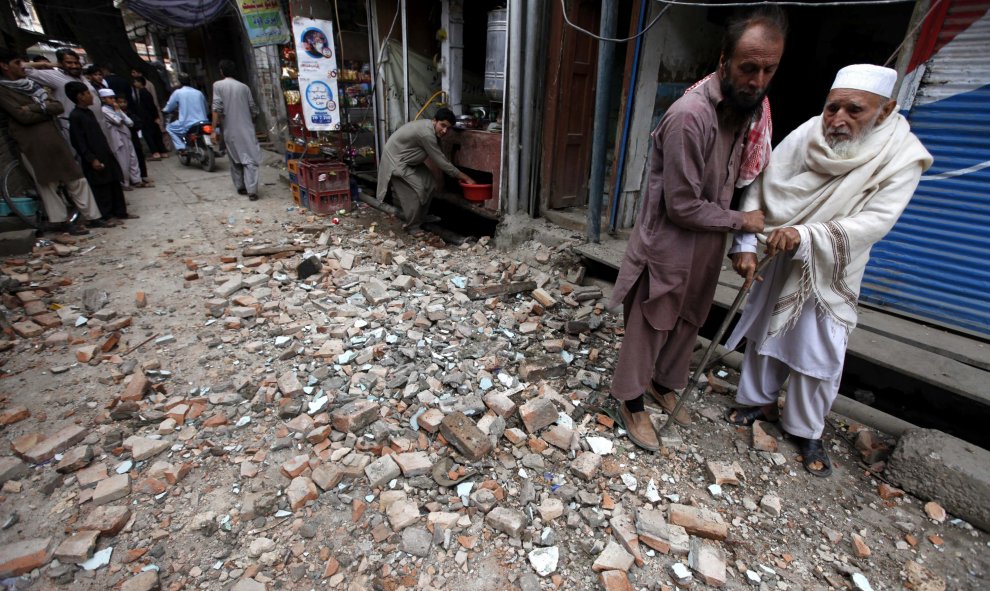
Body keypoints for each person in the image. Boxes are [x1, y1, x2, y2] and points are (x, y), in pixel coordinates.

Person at [724, 64, 932, 477]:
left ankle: (805, 430)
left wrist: (805, 234)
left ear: (885, 110)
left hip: (832, 267)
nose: (838, 120)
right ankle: (757, 401)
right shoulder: (808, 133)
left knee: (818, 349)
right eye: (832, 107)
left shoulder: (902, 156)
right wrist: (745, 243)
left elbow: (877, 221)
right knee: (765, 330)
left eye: (854, 110)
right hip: (779, 253)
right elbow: (763, 186)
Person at [606, 7, 787, 452]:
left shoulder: (745, 112)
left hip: (705, 241)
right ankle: (629, 399)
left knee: (691, 316)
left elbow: (740, 179)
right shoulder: (690, 115)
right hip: (669, 240)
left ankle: (663, 385)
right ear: (724, 63)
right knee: (653, 320)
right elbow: (682, 205)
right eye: (748, 68)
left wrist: (737, 239)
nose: (758, 80)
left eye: (769, 70)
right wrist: (741, 222)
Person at [0, 49, 106, 234]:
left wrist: (34, 107)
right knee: (47, 182)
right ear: (4, 66)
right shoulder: (4, 91)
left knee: (75, 177)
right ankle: (61, 221)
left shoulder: (32, 85)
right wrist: (43, 109)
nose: (22, 66)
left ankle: (93, 216)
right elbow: (21, 116)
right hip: (30, 141)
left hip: (54, 137)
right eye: (17, 62)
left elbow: (56, 106)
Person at [375, 107, 475, 233]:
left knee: (431, 183)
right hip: (397, 162)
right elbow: (442, 162)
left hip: (409, 161)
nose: (444, 130)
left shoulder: (431, 129)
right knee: (417, 191)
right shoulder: (426, 133)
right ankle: (413, 227)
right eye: (442, 125)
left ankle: (421, 218)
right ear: (434, 121)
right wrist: (467, 178)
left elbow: (440, 157)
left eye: (448, 128)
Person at [66, 81, 136, 223]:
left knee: (114, 183)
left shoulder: (89, 113)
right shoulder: (76, 116)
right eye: (87, 93)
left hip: (104, 153)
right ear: (80, 96)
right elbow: (79, 141)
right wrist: (91, 158)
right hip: (94, 157)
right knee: (101, 188)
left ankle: (120, 212)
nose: (91, 96)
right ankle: (107, 216)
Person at [25, 49, 107, 143]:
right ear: (60, 63)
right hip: (80, 129)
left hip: (100, 125)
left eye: (76, 63)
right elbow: (23, 68)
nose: (74, 66)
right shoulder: (54, 76)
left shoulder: (81, 77)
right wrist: (48, 65)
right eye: (69, 63)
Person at [212, 59, 262, 200]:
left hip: (229, 129)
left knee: (235, 159)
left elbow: (216, 108)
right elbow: (253, 109)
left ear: (222, 71)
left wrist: (213, 130)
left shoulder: (218, 85)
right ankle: (252, 190)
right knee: (250, 160)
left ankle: (241, 186)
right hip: (246, 128)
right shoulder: (244, 87)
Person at [98, 88, 146, 190]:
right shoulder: (104, 110)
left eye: (113, 98)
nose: (113, 100)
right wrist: (118, 111)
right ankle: (125, 183)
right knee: (123, 160)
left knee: (133, 158)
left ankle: (137, 180)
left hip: (126, 135)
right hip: (116, 137)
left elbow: (130, 122)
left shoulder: (116, 109)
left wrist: (118, 111)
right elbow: (118, 121)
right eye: (110, 98)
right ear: (103, 99)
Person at [161, 72, 208, 153]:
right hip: (203, 121)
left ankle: (181, 147)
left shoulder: (178, 93)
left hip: (187, 123)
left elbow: (169, 107)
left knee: (169, 128)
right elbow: (206, 108)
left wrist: (164, 110)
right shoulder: (198, 92)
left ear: (180, 82)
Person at [131, 76, 166, 159]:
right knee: (155, 134)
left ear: (140, 82)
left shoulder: (143, 93)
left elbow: (151, 106)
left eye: (136, 81)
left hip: (148, 118)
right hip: (150, 117)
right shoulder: (142, 92)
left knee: (150, 135)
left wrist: (155, 116)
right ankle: (161, 151)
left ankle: (156, 152)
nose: (134, 83)